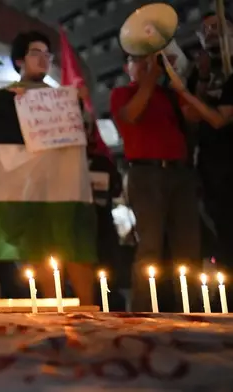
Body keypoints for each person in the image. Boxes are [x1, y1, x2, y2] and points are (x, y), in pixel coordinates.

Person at [7, 31, 97, 305]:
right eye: (36, 53)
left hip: (66, 185)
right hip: (31, 186)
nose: (43, 60)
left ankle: (88, 308)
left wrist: (81, 106)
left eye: (47, 55)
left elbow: (88, 135)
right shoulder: (6, 94)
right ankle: (52, 305)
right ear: (20, 59)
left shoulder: (63, 97)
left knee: (75, 244)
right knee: (41, 246)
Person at [110, 53, 201, 312]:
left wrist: (183, 79)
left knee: (188, 246)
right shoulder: (122, 94)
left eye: (150, 61)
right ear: (126, 67)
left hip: (180, 173)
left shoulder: (170, 94)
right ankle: (143, 309)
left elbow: (194, 116)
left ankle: (192, 307)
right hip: (145, 172)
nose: (146, 66)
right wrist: (151, 78)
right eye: (138, 60)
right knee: (149, 245)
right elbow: (131, 116)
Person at [185, 12, 233, 272]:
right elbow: (192, 115)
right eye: (206, 29)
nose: (212, 32)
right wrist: (201, 78)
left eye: (218, 26)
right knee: (223, 231)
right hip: (213, 166)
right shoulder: (199, 71)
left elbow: (218, 119)